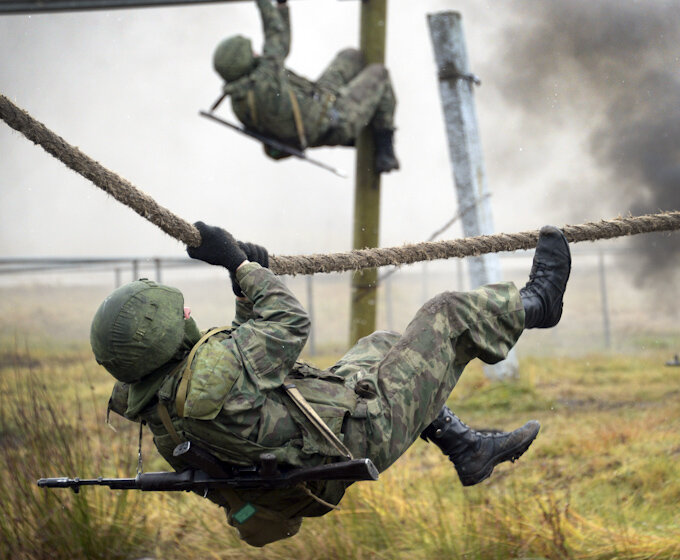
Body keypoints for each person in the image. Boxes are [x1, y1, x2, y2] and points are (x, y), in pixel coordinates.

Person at [92, 222, 571, 546]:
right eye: (179, 315)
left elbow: (250, 361)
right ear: (164, 335)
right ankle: (537, 304)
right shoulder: (215, 369)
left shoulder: (162, 408)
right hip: (362, 432)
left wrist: (246, 287)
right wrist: (241, 267)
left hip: (318, 456)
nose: (188, 313)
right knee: (446, 315)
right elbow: (289, 324)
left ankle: (467, 449)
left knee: (382, 345)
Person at [212, 0, 400, 174]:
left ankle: (364, 121)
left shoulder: (241, 96)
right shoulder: (265, 81)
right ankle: (383, 145)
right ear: (242, 61)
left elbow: (280, 48)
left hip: (317, 105)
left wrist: (281, 4)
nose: (256, 53)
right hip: (332, 122)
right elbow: (275, 37)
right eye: (250, 52)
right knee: (380, 74)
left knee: (351, 57)